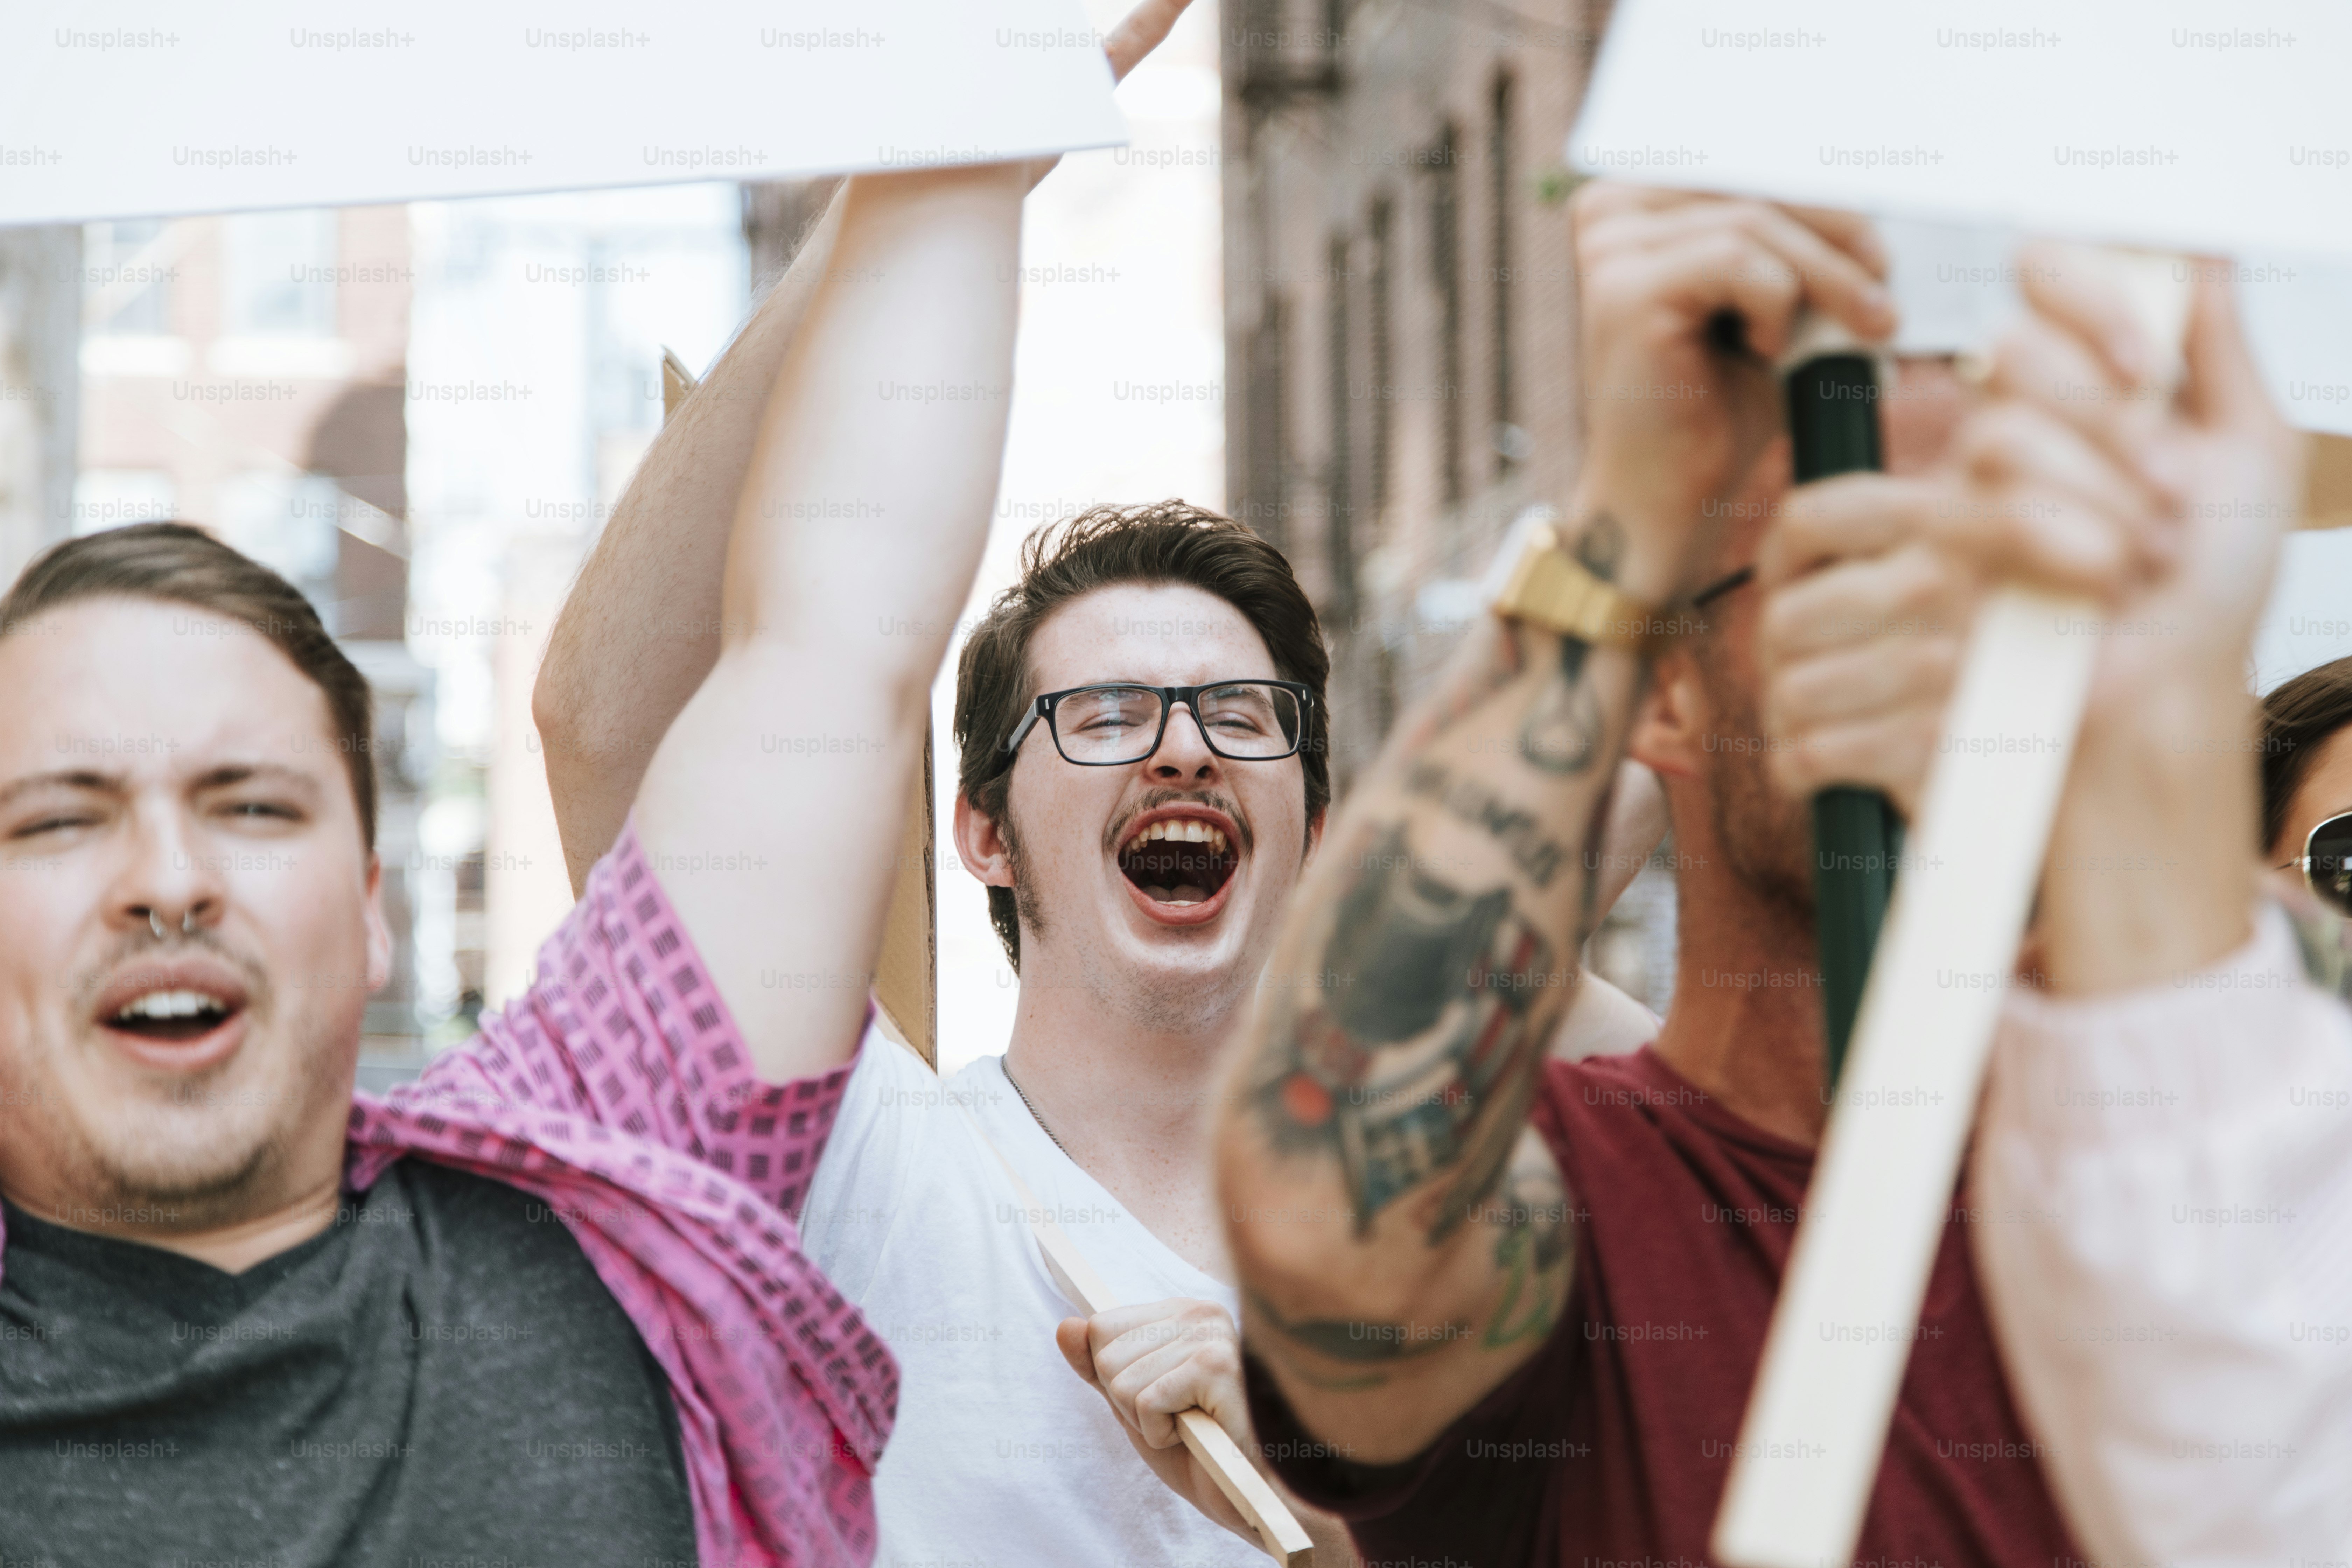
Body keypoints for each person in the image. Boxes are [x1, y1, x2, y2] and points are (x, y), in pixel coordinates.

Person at [1212, 181, 2309, 1566]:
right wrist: (1628, 518)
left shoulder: (2224, 1149)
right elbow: (1319, 1221)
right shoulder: (1582, 1206)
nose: (1951, 633)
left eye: (2008, 576)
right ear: (1665, 693)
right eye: (1856, 565)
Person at [0, 135, 1059, 1561]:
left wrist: (967, 128)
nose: (169, 882)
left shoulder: (606, 1201)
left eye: (251, 806)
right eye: (62, 817)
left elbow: (834, 641)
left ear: (370, 907)